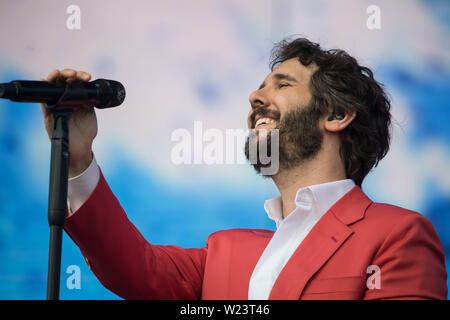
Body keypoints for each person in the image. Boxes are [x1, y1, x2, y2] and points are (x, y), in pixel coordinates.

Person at [40, 38, 447, 300]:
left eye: (282, 85)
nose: (255, 97)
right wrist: (78, 158)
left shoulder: (396, 235)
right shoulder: (226, 251)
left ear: (338, 114)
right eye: (260, 87)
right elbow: (131, 266)